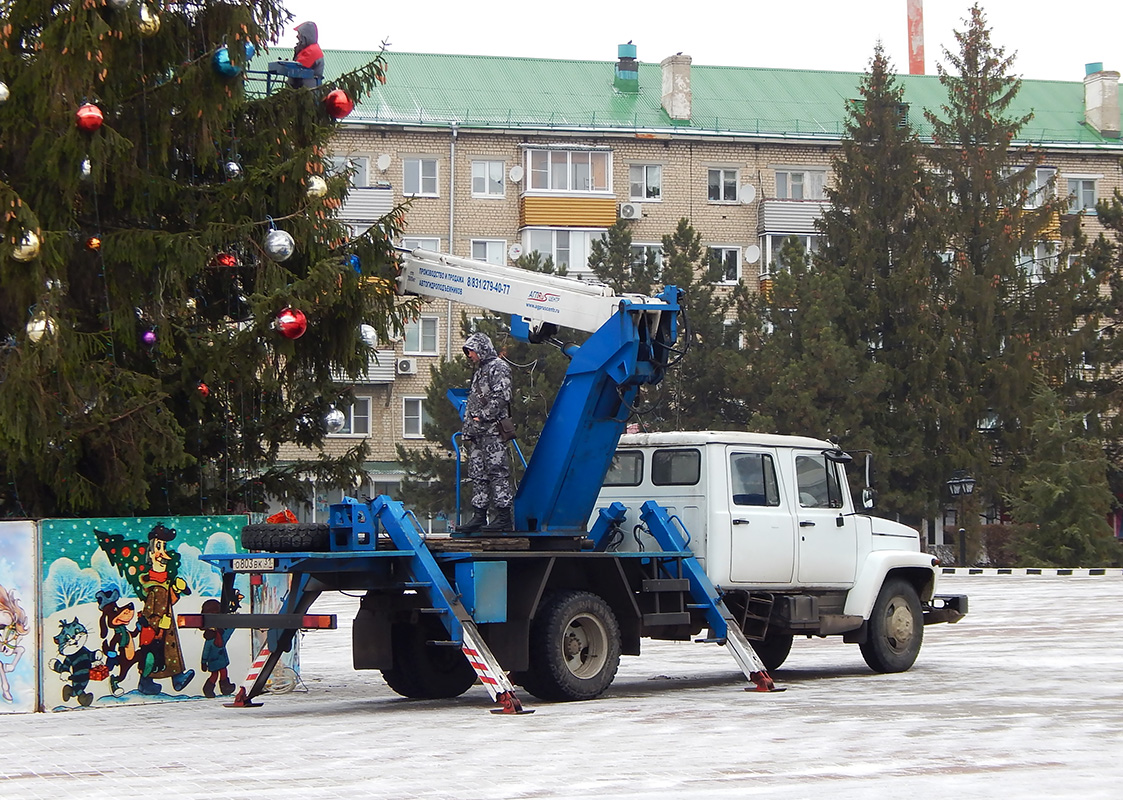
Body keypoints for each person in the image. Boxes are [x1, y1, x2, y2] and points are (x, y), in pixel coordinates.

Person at [458, 332, 515, 533]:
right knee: (478, 474)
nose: (469, 356)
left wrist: (481, 416)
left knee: (497, 472)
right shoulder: (481, 370)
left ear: (481, 349)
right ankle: (479, 516)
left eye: (471, 351)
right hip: (478, 434)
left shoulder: (498, 367)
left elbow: (502, 396)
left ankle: (503, 517)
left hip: (492, 431)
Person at [289, 21, 324, 88]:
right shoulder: (309, 49)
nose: (297, 36)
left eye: (299, 33)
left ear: (305, 35)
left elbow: (298, 68)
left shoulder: (312, 51)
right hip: (304, 88)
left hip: (307, 90)